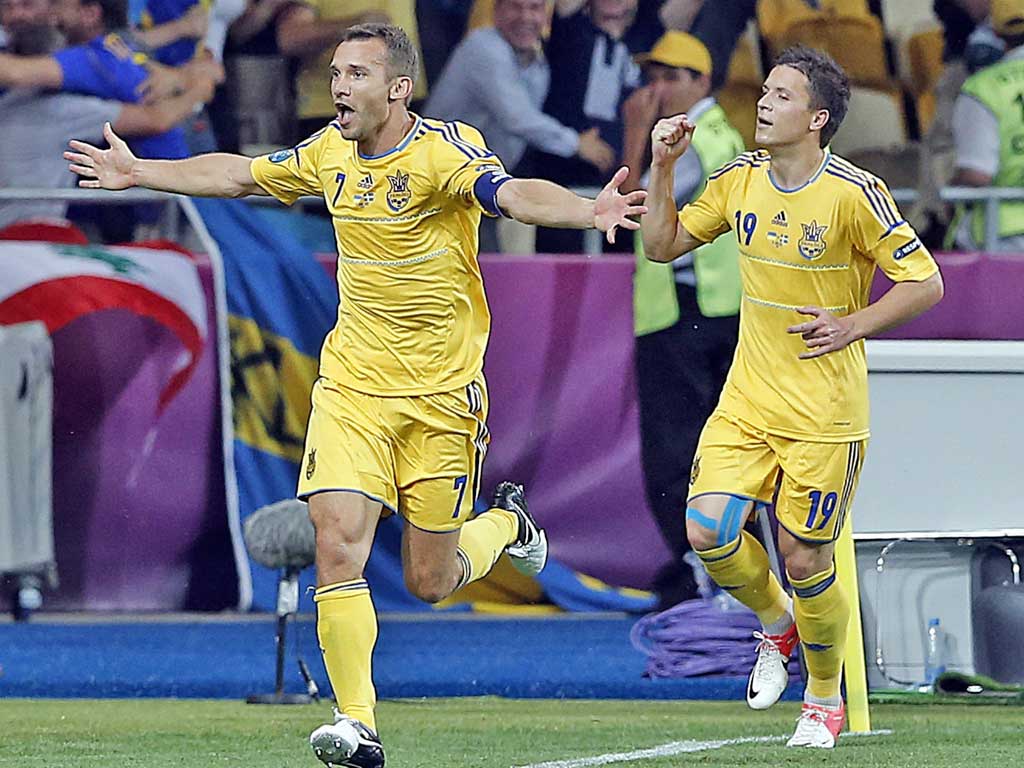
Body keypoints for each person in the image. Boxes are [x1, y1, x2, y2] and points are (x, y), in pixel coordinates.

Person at [65, 22, 646, 768]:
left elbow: (512, 194)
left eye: (357, 74)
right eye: (336, 72)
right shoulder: (326, 152)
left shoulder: (445, 149)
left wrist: (582, 209)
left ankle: (505, 525)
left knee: (430, 580)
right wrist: (140, 171)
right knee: (337, 547)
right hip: (352, 388)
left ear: (398, 88)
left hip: (440, 397)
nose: (339, 86)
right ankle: (358, 723)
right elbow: (239, 175)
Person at [641, 45, 943, 748]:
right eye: (766, 90)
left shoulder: (853, 193)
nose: (764, 102)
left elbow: (927, 282)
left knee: (806, 556)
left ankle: (823, 699)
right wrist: (660, 168)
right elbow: (660, 245)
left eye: (781, 95)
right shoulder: (739, 177)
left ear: (817, 118)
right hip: (748, 397)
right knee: (707, 531)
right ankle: (776, 625)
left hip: (826, 411)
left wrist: (853, 325)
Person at [621, 31, 744, 610]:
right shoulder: (725, 133)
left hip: (685, 316)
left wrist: (633, 140)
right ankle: (723, 567)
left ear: (703, 82)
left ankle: (702, 572)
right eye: (654, 74)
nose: (659, 87)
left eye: (674, 75)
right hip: (717, 312)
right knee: (717, 450)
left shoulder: (689, 141)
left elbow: (638, 210)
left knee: (676, 453)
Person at [426, 0, 615, 250]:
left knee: (486, 275)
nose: (525, 17)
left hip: (476, 189)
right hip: (436, 188)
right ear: (497, 12)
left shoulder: (535, 58)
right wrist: (576, 144)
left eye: (535, 8)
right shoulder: (483, 47)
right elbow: (518, 118)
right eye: (516, 7)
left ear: (546, 15)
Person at [950, 0, 1024, 252]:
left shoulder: (983, 88)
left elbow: (976, 175)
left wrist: (950, 192)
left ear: (994, 33)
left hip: (1001, 238)